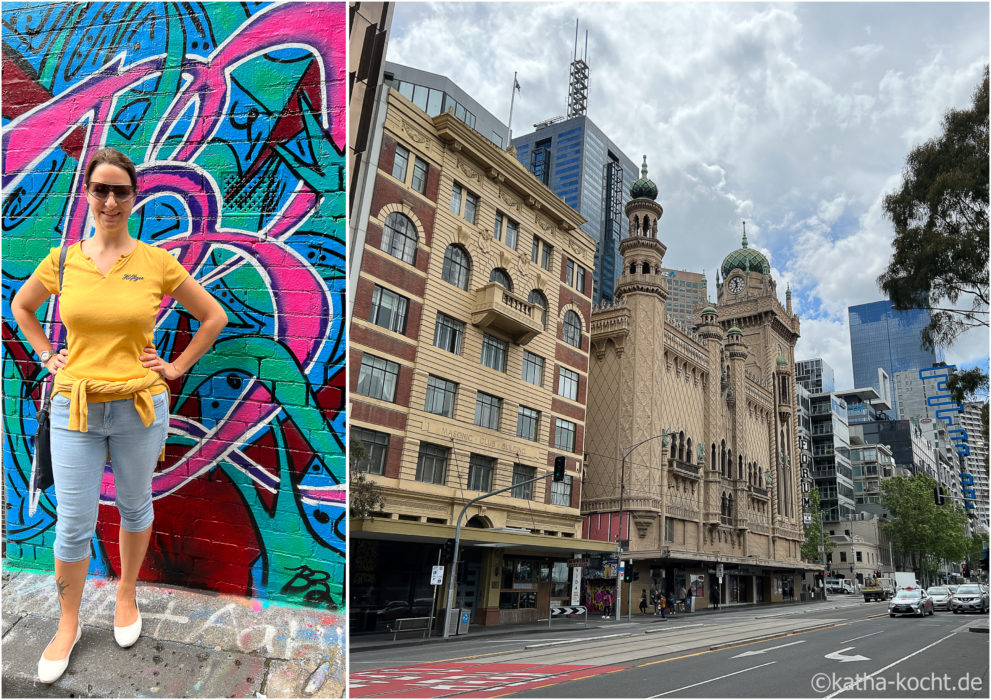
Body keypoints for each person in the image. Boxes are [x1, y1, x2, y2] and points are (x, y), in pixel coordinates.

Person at [12, 148, 227, 684]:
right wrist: (45, 353)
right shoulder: (64, 261)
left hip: (138, 406)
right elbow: (21, 306)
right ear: (87, 194)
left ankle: (126, 593)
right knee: (73, 525)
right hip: (75, 407)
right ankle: (68, 623)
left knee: (135, 506)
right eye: (101, 189)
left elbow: (213, 316)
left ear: (134, 198)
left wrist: (175, 366)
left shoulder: (155, 262)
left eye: (121, 191)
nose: (110, 200)